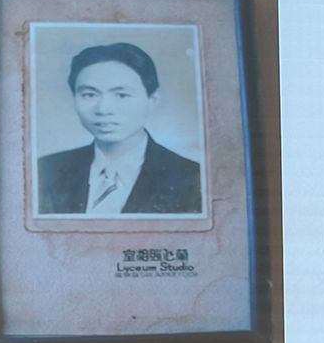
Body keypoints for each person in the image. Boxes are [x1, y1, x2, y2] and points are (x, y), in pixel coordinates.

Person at [36, 42, 203, 216]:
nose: (103, 109)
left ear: (152, 100)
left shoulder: (193, 178)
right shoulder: (46, 170)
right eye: (89, 95)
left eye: (121, 95)